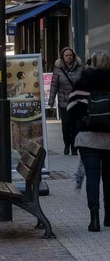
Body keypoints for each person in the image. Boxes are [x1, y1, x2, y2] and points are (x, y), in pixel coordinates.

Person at [69, 50, 110, 232]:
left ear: (91, 62)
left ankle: (94, 218)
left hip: (87, 139)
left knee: (92, 177)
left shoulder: (81, 83)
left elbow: (71, 110)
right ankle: (109, 216)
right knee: (109, 178)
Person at [48, 46, 84, 155]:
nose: (69, 57)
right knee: (66, 125)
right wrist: (51, 101)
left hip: (77, 102)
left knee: (76, 125)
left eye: (70, 55)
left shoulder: (80, 68)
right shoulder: (58, 70)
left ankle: (74, 147)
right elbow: (54, 86)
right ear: (62, 57)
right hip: (64, 101)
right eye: (66, 55)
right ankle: (67, 144)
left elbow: (84, 83)